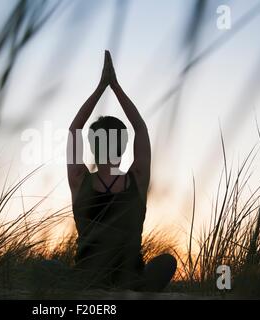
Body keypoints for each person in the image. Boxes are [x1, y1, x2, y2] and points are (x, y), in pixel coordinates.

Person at [67, 51, 177, 291]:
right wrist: (115, 87)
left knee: (44, 267)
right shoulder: (136, 177)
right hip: (130, 280)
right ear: (124, 145)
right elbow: (140, 127)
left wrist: (101, 88)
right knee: (167, 262)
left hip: (87, 278)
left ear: (93, 146)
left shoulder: (79, 179)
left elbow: (75, 128)